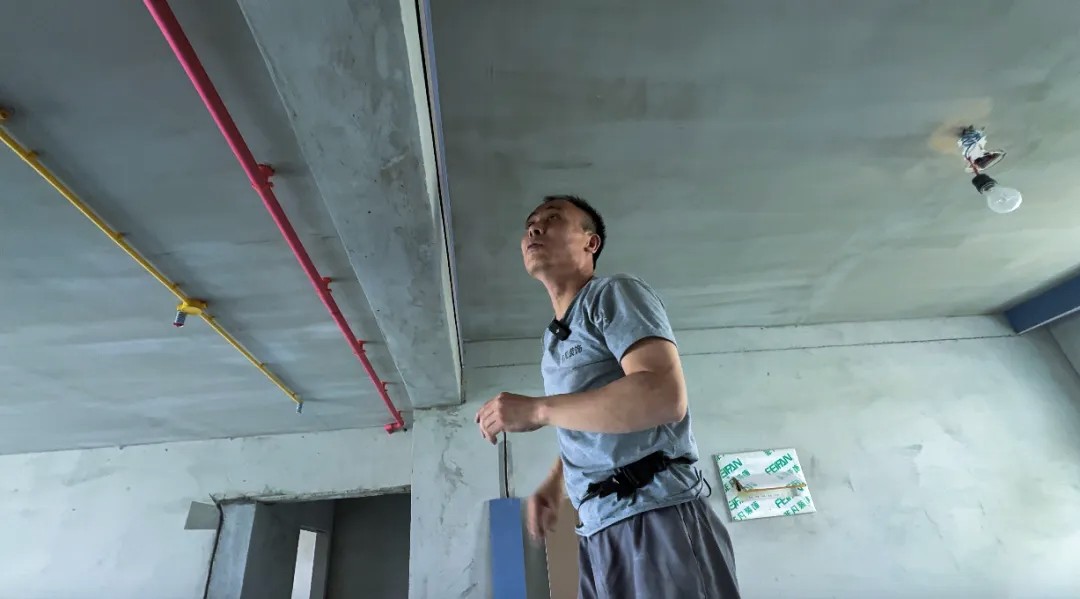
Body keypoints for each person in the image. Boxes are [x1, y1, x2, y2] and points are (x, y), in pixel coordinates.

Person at [475, 195, 741, 598]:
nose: (534, 229)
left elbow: (663, 395)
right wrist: (556, 483)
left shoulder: (614, 293)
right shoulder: (552, 340)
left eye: (552, 219)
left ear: (591, 242)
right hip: (596, 528)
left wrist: (538, 410)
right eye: (530, 224)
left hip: (655, 510)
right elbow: (592, 416)